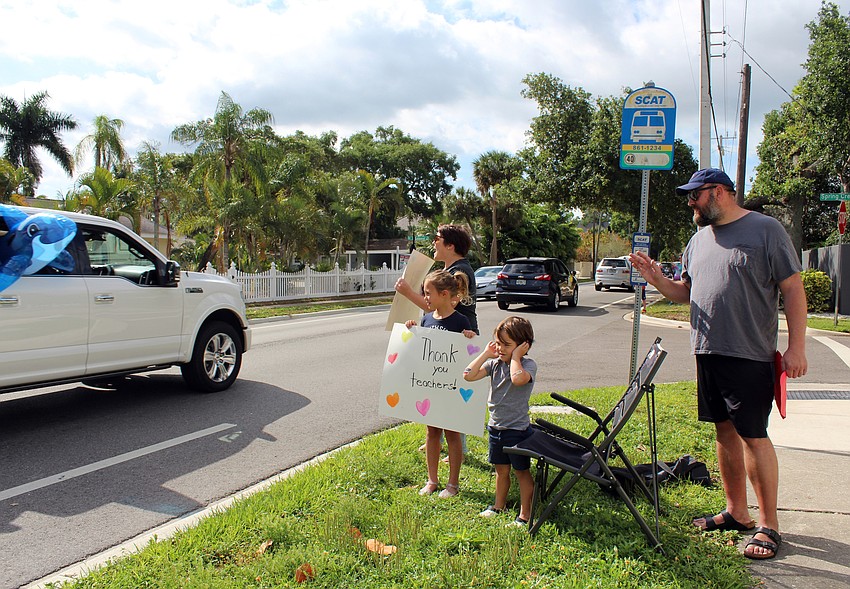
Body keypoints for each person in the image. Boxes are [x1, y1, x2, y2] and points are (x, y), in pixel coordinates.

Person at [629, 168, 808, 560]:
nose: (690, 203)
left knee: (752, 435)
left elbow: (793, 287)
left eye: (696, 195)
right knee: (723, 433)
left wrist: (797, 348)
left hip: (750, 354)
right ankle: (736, 512)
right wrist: (656, 279)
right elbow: (687, 293)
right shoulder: (696, 241)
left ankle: (769, 525)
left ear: (720, 192)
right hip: (707, 351)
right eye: (689, 197)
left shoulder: (766, 230)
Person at [396, 224, 479, 459]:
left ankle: (458, 447)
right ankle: (436, 439)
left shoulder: (459, 270)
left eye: (437, 238)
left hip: (457, 338)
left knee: (452, 390)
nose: (434, 242)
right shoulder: (452, 269)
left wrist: (408, 293)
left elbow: (438, 308)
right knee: (437, 386)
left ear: (450, 245)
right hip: (444, 338)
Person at [404, 269, 476, 498]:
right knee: (432, 432)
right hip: (431, 388)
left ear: (444, 294)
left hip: (451, 389)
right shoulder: (426, 318)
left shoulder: (460, 321)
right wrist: (412, 331)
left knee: (452, 434)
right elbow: (423, 350)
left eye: (428, 293)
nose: (424, 298)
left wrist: (469, 337)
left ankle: (452, 484)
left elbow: (469, 353)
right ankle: (432, 480)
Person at [463, 316, 537, 527]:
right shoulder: (494, 364)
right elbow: (468, 375)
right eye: (498, 343)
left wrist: (516, 357)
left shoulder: (528, 365)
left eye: (507, 344)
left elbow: (517, 379)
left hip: (517, 430)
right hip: (496, 427)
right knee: (501, 470)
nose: (501, 348)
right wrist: (486, 353)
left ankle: (525, 514)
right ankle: (498, 505)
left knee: (521, 472)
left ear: (523, 346)